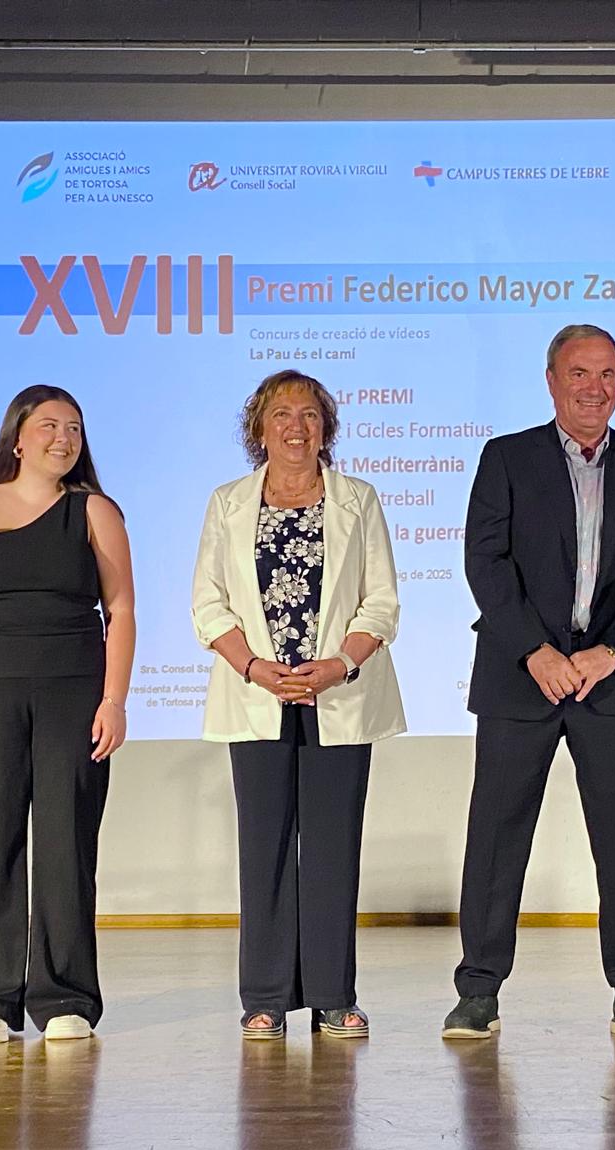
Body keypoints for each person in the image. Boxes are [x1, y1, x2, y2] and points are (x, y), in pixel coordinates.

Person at [444, 324, 615, 1043]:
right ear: (552, 381)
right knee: (497, 835)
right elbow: (486, 562)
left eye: (607, 374)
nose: (594, 388)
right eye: (579, 373)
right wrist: (535, 651)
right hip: (522, 678)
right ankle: (478, 990)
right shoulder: (507, 457)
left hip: (610, 681)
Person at [191, 370, 404, 1040]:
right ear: (259, 428)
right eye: (281, 414)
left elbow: (381, 602)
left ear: (325, 429)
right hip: (256, 694)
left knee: (334, 849)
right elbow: (208, 604)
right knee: (265, 849)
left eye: (310, 415)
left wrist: (339, 664)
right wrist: (254, 668)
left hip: (339, 693)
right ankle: (265, 997)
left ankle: (335, 996)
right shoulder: (228, 503)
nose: (296, 427)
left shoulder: (358, 500)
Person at [0, 386, 134, 1045]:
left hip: (74, 689)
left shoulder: (94, 511)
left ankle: (66, 998)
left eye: (75, 428)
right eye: (50, 425)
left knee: (66, 844)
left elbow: (121, 610)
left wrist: (114, 700)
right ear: (18, 437)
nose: (64, 438)